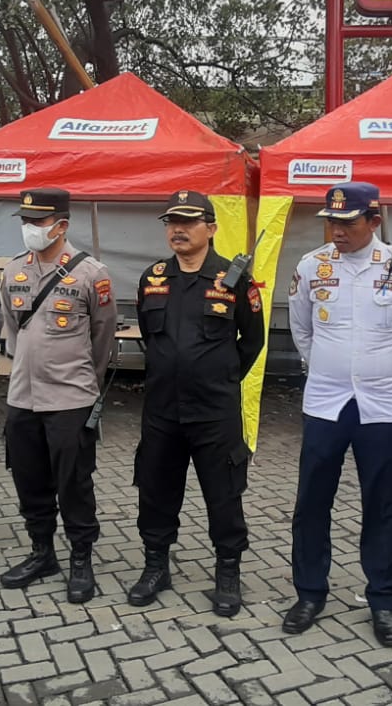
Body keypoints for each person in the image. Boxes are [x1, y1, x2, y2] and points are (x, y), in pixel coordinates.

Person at [282, 181, 392, 647]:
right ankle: (309, 593)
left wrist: (379, 374)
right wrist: (327, 369)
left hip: (381, 406)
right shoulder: (312, 266)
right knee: (312, 502)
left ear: (374, 221)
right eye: (331, 222)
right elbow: (301, 330)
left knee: (384, 504)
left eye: (347, 222)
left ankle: (383, 600)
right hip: (325, 403)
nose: (337, 231)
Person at [128, 190, 264, 617]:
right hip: (162, 410)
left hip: (214, 412)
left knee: (223, 494)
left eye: (188, 222)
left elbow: (253, 340)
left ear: (211, 228)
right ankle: (156, 566)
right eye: (172, 222)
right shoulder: (152, 278)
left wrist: (219, 377)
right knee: (156, 490)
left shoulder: (234, 279)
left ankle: (227, 571)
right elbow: (150, 337)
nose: (178, 229)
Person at [0, 187, 117, 603]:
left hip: (70, 400)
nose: (29, 228)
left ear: (61, 225)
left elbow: (103, 338)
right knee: (29, 479)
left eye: (38, 221)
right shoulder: (14, 271)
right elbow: (14, 332)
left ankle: (80, 558)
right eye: (25, 221)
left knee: (74, 484)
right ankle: (42, 552)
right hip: (23, 397)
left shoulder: (91, 274)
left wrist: (83, 380)